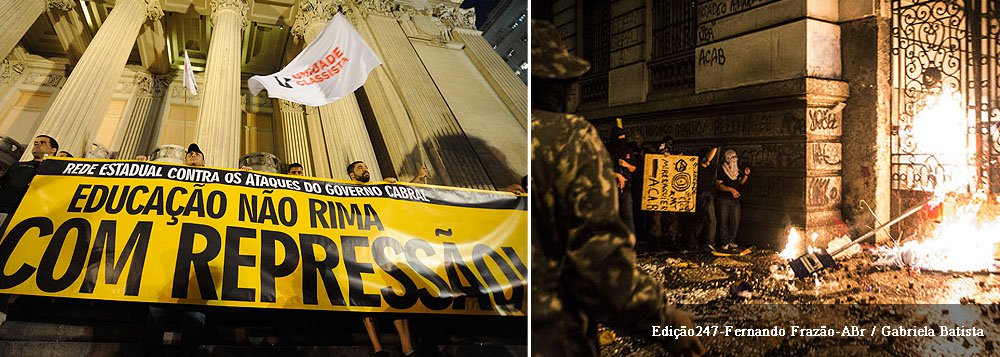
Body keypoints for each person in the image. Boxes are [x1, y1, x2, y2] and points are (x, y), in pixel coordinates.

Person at [530, 20, 705, 357]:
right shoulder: (569, 137)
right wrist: (666, 322)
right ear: (559, 85)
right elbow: (598, 262)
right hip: (554, 337)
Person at [347, 161, 417, 356]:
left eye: (366, 167)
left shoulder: (377, 189)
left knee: (396, 296)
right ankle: (378, 349)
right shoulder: (344, 191)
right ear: (352, 175)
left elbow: (404, 200)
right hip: (358, 253)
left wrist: (389, 188)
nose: (365, 169)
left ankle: (407, 347)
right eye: (360, 168)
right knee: (366, 303)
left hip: (382, 253)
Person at [0, 135, 58, 229]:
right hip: (3, 209)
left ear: (53, 150)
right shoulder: (18, 166)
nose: (37, 144)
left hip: (24, 217)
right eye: (36, 143)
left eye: (42, 143)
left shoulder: (54, 173)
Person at [715, 149, 750, 251]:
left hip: (735, 200)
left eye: (736, 157)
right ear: (727, 159)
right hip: (723, 199)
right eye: (732, 158)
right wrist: (730, 190)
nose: (735, 160)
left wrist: (746, 175)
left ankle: (731, 240)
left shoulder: (737, 170)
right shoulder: (722, 170)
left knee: (735, 221)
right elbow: (718, 185)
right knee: (723, 221)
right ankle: (724, 242)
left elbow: (740, 182)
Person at [691, 147, 719, 251]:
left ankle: (699, 242)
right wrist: (715, 148)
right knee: (706, 220)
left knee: (706, 220)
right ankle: (705, 242)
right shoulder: (699, 167)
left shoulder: (708, 168)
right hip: (702, 195)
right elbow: (708, 158)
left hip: (707, 195)